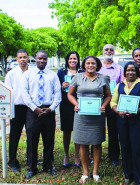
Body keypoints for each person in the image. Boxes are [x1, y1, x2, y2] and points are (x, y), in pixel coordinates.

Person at [68, 55, 112, 183]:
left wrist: (104, 106)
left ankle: (95, 172)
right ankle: (85, 172)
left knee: (97, 143)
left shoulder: (103, 78)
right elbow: (70, 94)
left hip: (97, 115)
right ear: (84, 65)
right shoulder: (77, 77)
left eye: (93, 63)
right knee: (83, 143)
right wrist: (76, 104)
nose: (90, 65)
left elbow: (108, 96)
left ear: (97, 65)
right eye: (88, 63)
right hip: (81, 116)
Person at [111, 62, 140, 185]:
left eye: (133, 70)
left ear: (137, 72)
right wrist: (117, 111)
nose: (130, 72)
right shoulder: (119, 85)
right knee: (125, 147)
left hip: (137, 120)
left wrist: (137, 111)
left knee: (138, 148)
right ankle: (128, 175)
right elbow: (113, 102)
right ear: (125, 72)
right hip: (122, 120)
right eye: (128, 70)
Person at [21, 50, 61, 178]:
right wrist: (35, 108)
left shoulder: (52, 75)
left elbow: (57, 94)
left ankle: (48, 166)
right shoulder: (28, 74)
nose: (42, 61)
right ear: (35, 59)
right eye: (39, 58)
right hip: (33, 112)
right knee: (32, 141)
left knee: (49, 141)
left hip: (49, 112)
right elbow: (24, 94)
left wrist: (51, 108)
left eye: (44, 59)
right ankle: (32, 168)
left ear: (47, 60)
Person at [98, 44, 123, 166]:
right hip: (99, 103)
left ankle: (114, 156)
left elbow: (122, 86)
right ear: (103, 51)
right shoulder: (97, 67)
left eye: (111, 50)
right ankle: (95, 156)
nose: (109, 51)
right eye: (106, 49)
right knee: (97, 129)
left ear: (114, 52)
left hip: (113, 103)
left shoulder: (119, 68)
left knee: (113, 130)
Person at [57, 51, 83, 168]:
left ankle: (76, 155)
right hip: (65, 104)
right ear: (67, 60)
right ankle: (66, 155)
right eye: (70, 58)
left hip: (79, 103)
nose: (73, 61)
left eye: (75, 58)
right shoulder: (61, 72)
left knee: (77, 129)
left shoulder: (82, 72)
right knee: (66, 130)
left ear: (78, 60)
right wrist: (62, 86)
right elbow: (55, 88)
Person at [5, 49, 29, 172]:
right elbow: (7, 93)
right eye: (20, 57)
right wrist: (9, 112)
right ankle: (12, 161)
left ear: (28, 58)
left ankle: (31, 159)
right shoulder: (11, 74)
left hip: (30, 108)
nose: (23, 60)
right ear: (17, 58)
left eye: (25, 57)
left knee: (32, 135)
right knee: (14, 135)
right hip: (17, 108)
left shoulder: (33, 72)